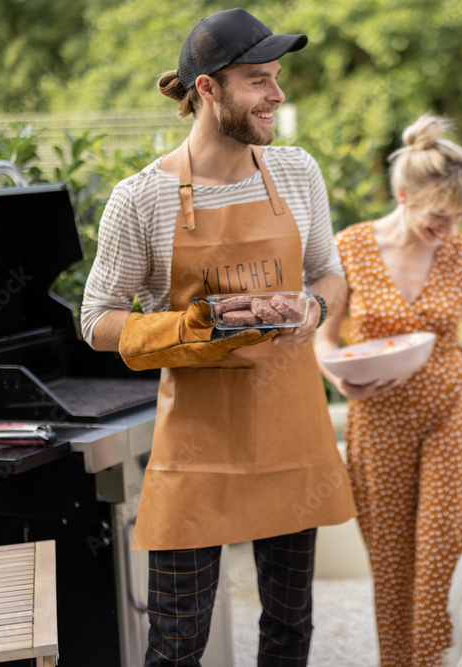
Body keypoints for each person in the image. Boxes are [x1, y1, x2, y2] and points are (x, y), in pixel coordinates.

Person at [79, 8, 355, 665]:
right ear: (208, 89)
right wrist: (202, 323)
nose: (277, 95)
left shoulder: (295, 173)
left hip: (291, 434)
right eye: (259, 80)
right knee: (175, 645)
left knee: (289, 634)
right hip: (198, 450)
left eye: (278, 78)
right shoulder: (139, 199)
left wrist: (313, 307)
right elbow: (96, 320)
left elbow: (328, 273)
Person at [314, 114, 462, 666]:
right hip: (376, 420)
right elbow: (322, 338)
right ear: (403, 194)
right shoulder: (347, 248)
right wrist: (338, 376)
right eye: (439, 216)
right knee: (391, 566)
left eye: (460, 218)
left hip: (450, 413)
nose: (449, 229)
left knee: (443, 559)